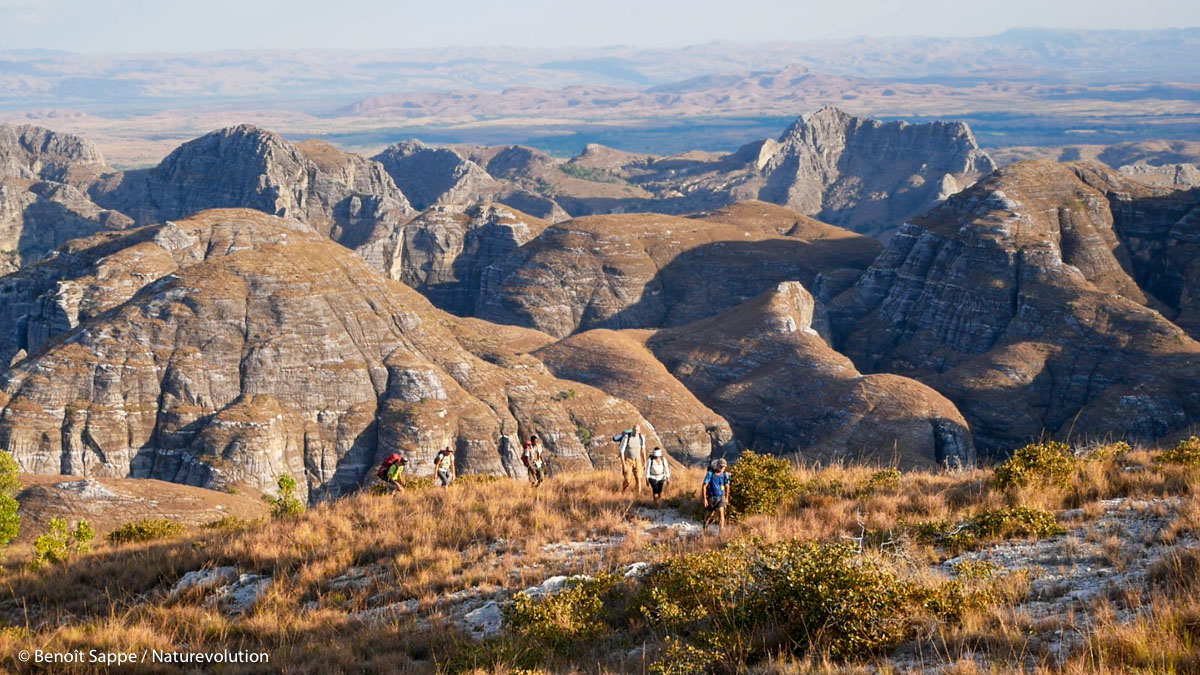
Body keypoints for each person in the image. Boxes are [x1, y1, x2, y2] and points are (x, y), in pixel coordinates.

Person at [616, 424, 647, 493]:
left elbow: (643, 450)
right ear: (632, 430)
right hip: (628, 461)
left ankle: (638, 496)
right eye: (635, 430)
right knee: (627, 479)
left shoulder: (641, 438)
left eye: (637, 430)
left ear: (640, 431)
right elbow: (621, 452)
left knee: (638, 478)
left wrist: (645, 462)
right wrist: (623, 464)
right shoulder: (627, 438)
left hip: (638, 460)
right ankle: (623, 490)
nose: (636, 432)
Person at [702, 458, 731, 532]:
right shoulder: (710, 474)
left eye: (723, 467)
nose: (722, 468)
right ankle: (705, 525)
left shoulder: (725, 475)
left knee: (721, 512)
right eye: (720, 466)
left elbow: (727, 486)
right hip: (712, 497)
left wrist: (727, 498)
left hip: (721, 496)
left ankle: (721, 531)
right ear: (717, 465)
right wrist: (705, 499)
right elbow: (704, 486)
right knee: (710, 514)